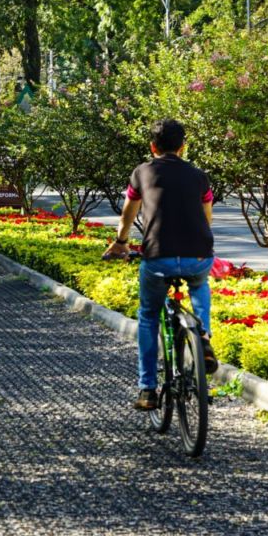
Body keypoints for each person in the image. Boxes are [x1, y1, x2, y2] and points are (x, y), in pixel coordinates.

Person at [102, 119, 217, 412]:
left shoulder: (142, 172)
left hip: (158, 257)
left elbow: (129, 211)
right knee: (200, 284)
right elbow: (207, 218)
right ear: (183, 147)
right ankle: (203, 337)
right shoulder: (199, 177)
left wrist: (121, 241)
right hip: (198, 256)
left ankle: (147, 390)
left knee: (149, 316)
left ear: (152, 147)